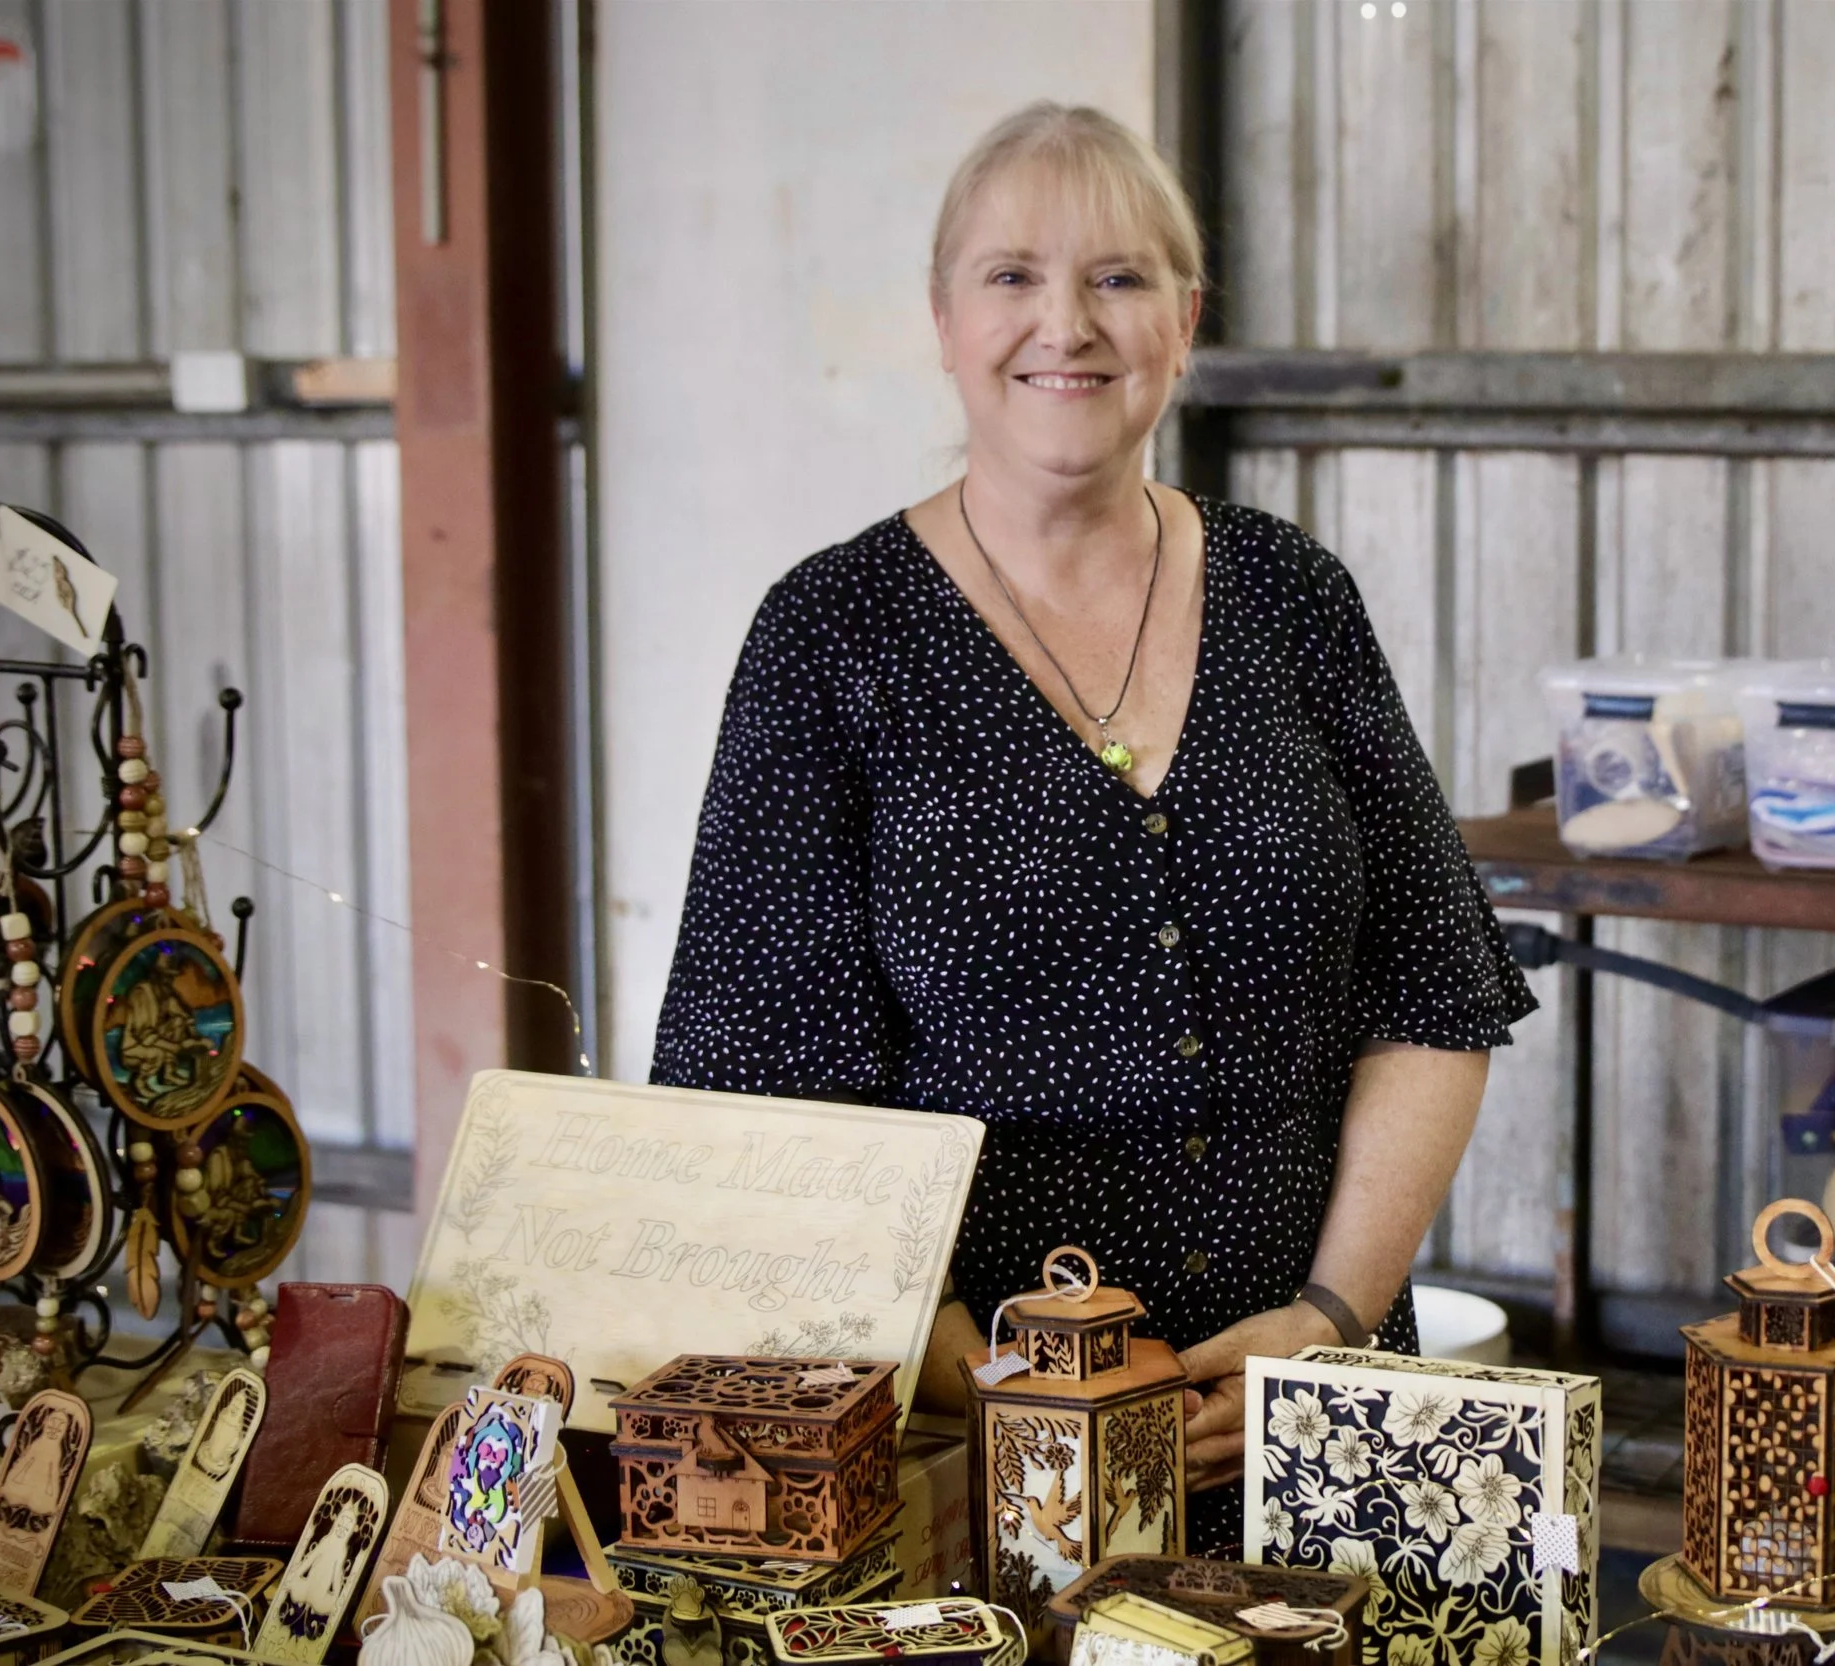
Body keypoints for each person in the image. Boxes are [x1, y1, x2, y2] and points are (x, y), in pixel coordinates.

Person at [650, 101, 1536, 1550]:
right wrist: (995, 1389)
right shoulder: (832, 634)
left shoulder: (1292, 594)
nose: (1065, 323)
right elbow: (766, 1087)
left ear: (1183, 324)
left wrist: (1327, 1318)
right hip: (982, 1440)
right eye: (1012, 276)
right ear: (945, 320)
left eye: (1118, 278)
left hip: (1312, 1415)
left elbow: (1434, 990)